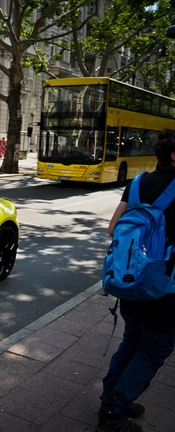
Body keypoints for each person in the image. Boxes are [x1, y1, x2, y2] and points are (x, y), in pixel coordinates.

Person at [97, 129, 175, 432]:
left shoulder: (138, 182)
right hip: (164, 288)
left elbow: (113, 228)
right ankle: (113, 416)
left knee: (132, 340)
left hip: (130, 281)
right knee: (154, 348)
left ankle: (112, 400)